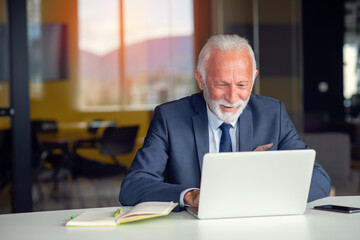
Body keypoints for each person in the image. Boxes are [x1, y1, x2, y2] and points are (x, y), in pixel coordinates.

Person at [119, 34, 331, 212]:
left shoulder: (272, 114)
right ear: (201, 79)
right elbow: (133, 186)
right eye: (222, 84)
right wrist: (191, 196)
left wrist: (260, 192)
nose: (232, 97)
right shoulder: (169, 118)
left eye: (242, 85)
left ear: (254, 79)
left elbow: (319, 179)